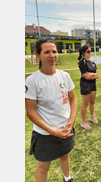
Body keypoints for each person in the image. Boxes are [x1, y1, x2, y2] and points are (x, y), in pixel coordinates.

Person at [25, 37, 77, 182]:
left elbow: (73, 99)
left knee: (65, 155)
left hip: (65, 129)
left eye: (54, 51)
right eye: (47, 52)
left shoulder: (64, 76)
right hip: (45, 133)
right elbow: (30, 112)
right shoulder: (32, 80)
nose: (52, 55)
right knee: (43, 167)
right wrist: (52, 131)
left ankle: (67, 178)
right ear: (38, 55)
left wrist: (71, 121)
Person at [78, 44, 99, 129]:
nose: (90, 52)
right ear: (83, 53)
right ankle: (83, 122)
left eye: (90, 51)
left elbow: (97, 75)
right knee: (85, 103)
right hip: (85, 84)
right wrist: (91, 75)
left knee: (92, 102)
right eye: (88, 51)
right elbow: (86, 76)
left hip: (93, 84)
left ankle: (92, 116)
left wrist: (91, 74)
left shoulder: (92, 63)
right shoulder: (82, 63)